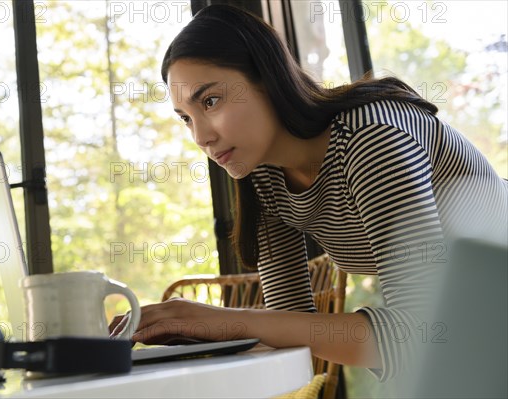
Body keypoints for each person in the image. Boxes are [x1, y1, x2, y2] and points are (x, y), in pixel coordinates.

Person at [110, 4, 508, 382]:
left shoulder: (370, 138)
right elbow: (291, 325)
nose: (201, 136)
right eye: (186, 119)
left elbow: (419, 336)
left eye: (210, 101)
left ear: (266, 78)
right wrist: (201, 338)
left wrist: (222, 319)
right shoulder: (264, 177)